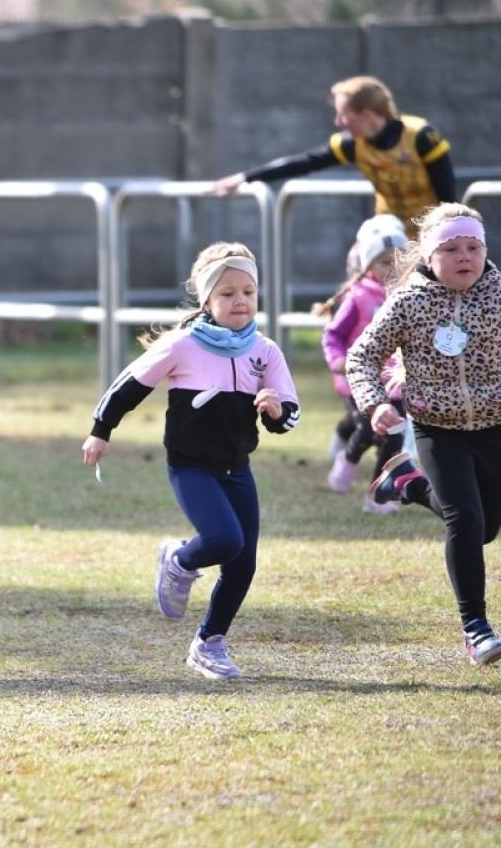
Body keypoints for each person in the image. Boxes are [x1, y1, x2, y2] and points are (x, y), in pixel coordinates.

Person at [82, 243, 300, 680]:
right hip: (191, 466)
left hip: (237, 468)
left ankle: (209, 643)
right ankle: (179, 560)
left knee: (243, 563)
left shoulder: (265, 351)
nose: (240, 301)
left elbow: (289, 415)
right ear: (206, 301)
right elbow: (129, 385)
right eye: (227, 294)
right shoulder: (183, 345)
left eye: (248, 292)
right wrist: (100, 430)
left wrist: (275, 411)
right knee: (223, 539)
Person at [346, 203, 501, 667]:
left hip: (496, 426)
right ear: (429, 257)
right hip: (438, 430)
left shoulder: (498, 295)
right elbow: (361, 356)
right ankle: (476, 627)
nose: (464, 257)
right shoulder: (409, 302)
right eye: (451, 248)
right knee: (465, 522)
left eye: (473, 247)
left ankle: (407, 484)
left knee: (487, 528)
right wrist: (374, 403)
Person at [212, 75, 456, 233]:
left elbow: (448, 196)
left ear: (367, 113)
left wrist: (448, 237)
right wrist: (246, 177)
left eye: (343, 114)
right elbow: (304, 162)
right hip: (390, 235)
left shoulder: (421, 136)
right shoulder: (353, 144)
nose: (338, 122)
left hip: (432, 234)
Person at [318, 215, 409, 511]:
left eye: (398, 261)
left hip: (396, 382)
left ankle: (377, 495)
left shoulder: (411, 296)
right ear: (368, 265)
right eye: (384, 262)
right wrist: (338, 360)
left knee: (394, 435)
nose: (392, 268)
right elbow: (333, 334)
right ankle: (347, 459)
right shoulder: (357, 297)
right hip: (362, 382)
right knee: (369, 431)